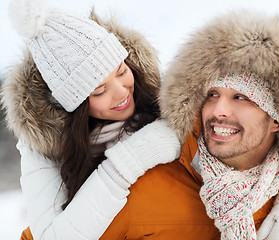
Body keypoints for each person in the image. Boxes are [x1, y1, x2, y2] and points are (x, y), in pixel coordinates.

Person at [1, 0, 180, 239]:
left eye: (121, 71)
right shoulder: (44, 146)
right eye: (99, 91)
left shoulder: (170, 108)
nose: (121, 92)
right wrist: (128, 161)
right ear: (75, 107)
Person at [159, 10, 279, 239]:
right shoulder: (151, 184)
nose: (218, 110)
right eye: (212, 94)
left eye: (241, 98)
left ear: (277, 120)